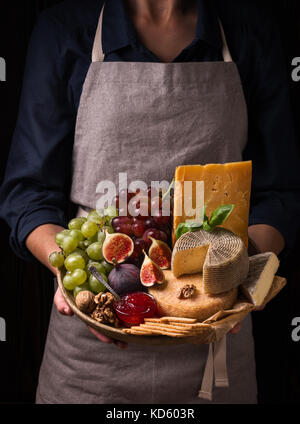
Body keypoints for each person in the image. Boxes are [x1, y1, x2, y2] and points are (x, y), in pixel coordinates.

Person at [1, 0, 300, 404]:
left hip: (215, 349)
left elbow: (278, 193)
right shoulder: (65, 28)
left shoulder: (249, 30)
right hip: (90, 359)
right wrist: (68, 273)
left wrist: (240, 275)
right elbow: (28, 193)